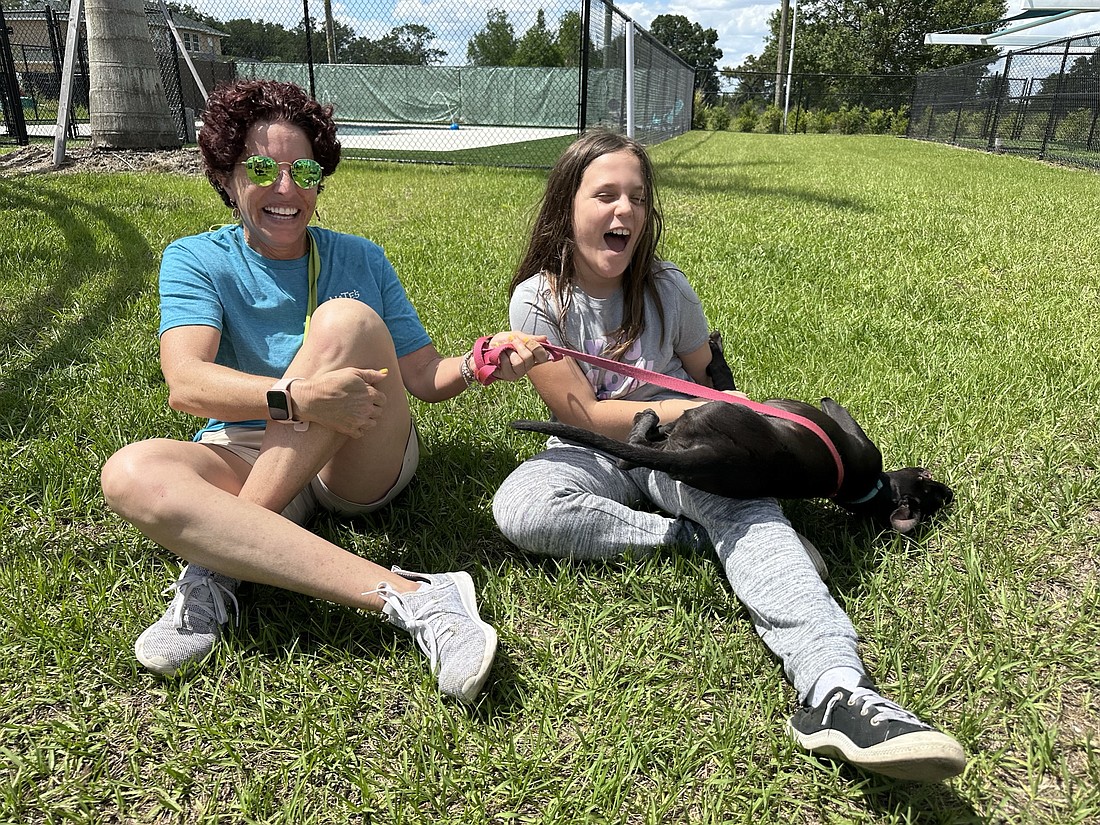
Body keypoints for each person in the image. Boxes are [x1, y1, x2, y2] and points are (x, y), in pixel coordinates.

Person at [492, 130, 967, 781]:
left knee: (749, 511)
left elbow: (704, 376)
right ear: (566, 206)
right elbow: (584, 417)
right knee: (522, 506)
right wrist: (699, 413)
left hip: (681, 450)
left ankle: (838, 689)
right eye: (605, 194)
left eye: (637, 196)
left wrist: (731, 425)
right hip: (593, 452)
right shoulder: (538, 301)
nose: (624, 211)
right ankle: (689, 540)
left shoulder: (667, 287)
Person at [99, 79, 547, 703]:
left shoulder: (360, 258)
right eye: (261, 168)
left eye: (303, 170)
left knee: (346, 319)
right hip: (250, 448)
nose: (286, 189)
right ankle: (423, 598)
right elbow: (188, 384)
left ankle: (217, 566)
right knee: (130, 473)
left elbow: (422, 379)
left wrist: (478, 364)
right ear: (226, 176)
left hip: (354, 455)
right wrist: (301, 400)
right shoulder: (196, 259)